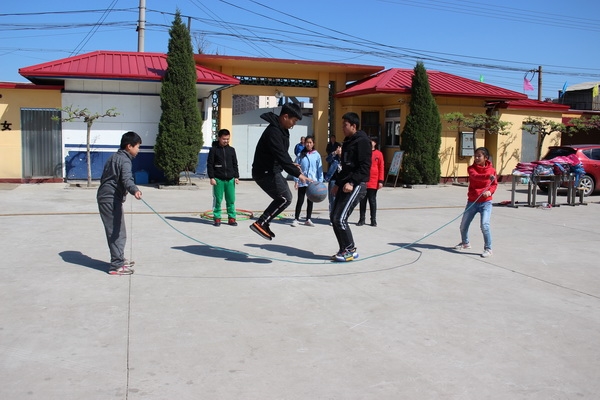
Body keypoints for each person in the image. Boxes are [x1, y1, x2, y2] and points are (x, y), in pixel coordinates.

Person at [250, 103, 310, 240]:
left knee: (284, 197)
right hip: (265, 172)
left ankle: (264, 223)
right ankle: (261, 223)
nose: (294, 124)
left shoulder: (282, 130)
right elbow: (281, 155)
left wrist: (291, 164)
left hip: (272, 170)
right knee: (285, 198)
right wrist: (298, 174)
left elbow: (282, 153)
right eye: (294, 120)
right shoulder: (274, 132)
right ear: (285, 117)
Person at [96, 131, 143, 275]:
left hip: (107, 197)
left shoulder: (114, 157)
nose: (139, 150)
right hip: (109, 199)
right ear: (129, 146)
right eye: (137, 146)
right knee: (116, 232)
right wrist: (135, 190)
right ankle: (116, 265)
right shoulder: (125, 161)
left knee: (118, 231)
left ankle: (119, 258)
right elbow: (127, 179)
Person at [330, 112, 372, 262]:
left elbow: (365, 167)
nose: (342, 127)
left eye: (345, 125)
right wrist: (337, 184)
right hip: (345, 184)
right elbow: (345, 168)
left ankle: (350, 250)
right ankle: (343, 249)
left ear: (354, 126)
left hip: (357, 185)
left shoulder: (362, 141)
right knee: (334, 218)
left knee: (341, 218)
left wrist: (352, 183)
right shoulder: (348, 142)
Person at [454, 147, 498, 258]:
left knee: (484, 225)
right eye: (475, 156)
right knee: (463, 225)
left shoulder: (492, 170)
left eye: (479, 156)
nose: (476, 158)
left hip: (486, 203)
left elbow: (494, 184)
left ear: (485, 158)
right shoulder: (471, 169)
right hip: (472, 202)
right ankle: (465, 243)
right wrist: (487, 176)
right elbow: (476, 177)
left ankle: (488, 249)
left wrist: (490, 192)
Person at [207, 128, 240, 227]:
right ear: (219, 138)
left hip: (230, 180)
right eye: (224, 139)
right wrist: (212, 177)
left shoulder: (231, 150)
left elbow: (235, 164)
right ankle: (217, 218)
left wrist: (236, 176)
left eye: (227, 139)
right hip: (218, 180)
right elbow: (210, 164)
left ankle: (232, 218)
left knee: (231, 200)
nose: (226, 141)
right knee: (218, 200)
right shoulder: (213, 150)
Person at [292, 135, 323, 227]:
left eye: (310, 142)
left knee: (310, 201)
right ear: (304, 143)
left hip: (312, 182)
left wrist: (320, 181)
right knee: (300, 200)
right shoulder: (300, 155)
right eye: (307, 143)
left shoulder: (317, 155)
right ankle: (296, 219)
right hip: (302, 181)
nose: (308, 144)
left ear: (313, 144)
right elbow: (296, 169)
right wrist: (296, 180)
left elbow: (319, 169)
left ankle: (308, 219)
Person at [357, 137, 385, 227]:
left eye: (371, 141)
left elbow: (381, 168)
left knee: (372, 201)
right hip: (364, 180)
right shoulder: (364, 153)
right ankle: (362, 219)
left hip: (374, 181)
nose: (370, 143)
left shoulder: (379, 154)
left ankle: (373, 220)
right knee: (362, 201)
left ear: (375, 143)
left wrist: (380, 181)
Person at [324, 145, 342, 216]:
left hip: (342, 181)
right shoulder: (334, 157)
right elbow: (327, 159)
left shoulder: (346, 158)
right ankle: (332, 216)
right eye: (338, 148)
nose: (339, 149)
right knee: (332, 199)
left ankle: (340, 216)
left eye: (340, 148)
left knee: (341, 199)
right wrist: (334, 153)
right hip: (333, 180)